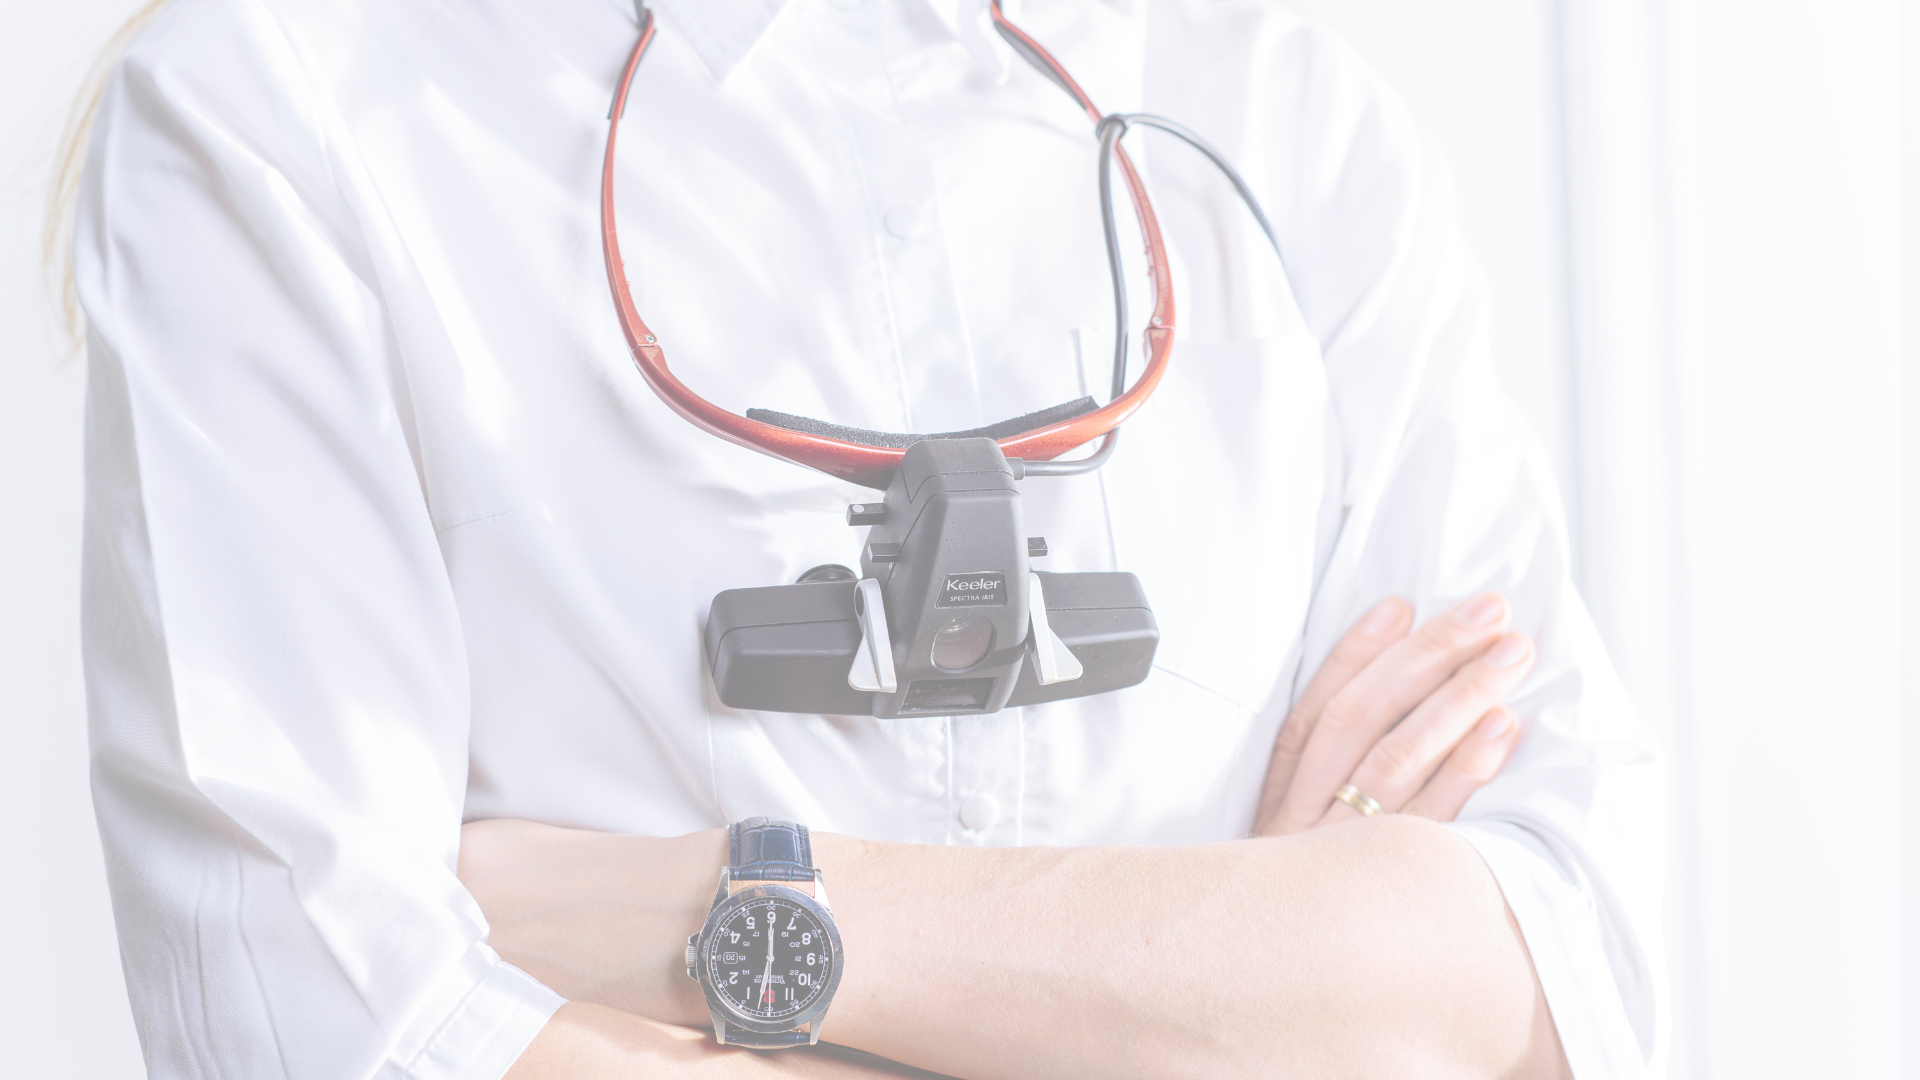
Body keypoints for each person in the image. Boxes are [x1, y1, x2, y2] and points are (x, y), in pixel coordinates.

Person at [69, 0, 1663, 1076]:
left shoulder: (1274, 100)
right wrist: (1262, 985)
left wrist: (740, 920)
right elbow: (322, 1028)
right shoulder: (278, 102)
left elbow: (1543, 968)